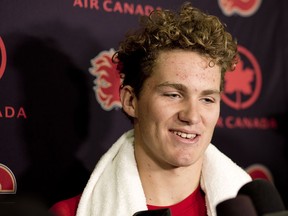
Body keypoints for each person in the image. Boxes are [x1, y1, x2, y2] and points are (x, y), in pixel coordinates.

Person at [50, 2, 251, 216]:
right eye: (173, 95)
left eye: (207, 99)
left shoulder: (250, 208)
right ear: (130, 101)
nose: (192, 116)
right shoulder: (68, 213)